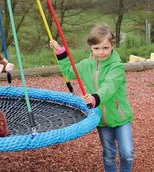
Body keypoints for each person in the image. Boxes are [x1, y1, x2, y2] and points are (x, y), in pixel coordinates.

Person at [50, 24, 134, 172]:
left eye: (105, 48)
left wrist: (95, 97)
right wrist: (60, 52)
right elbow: (69, 72)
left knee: (127, 154)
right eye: (97, 48)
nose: (101, 52)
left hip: (121, 118)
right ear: (91, 48)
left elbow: (109, 87)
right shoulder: (86, 65)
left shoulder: (117, 67)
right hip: (101, 119)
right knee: (109, 153)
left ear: (112, 46)